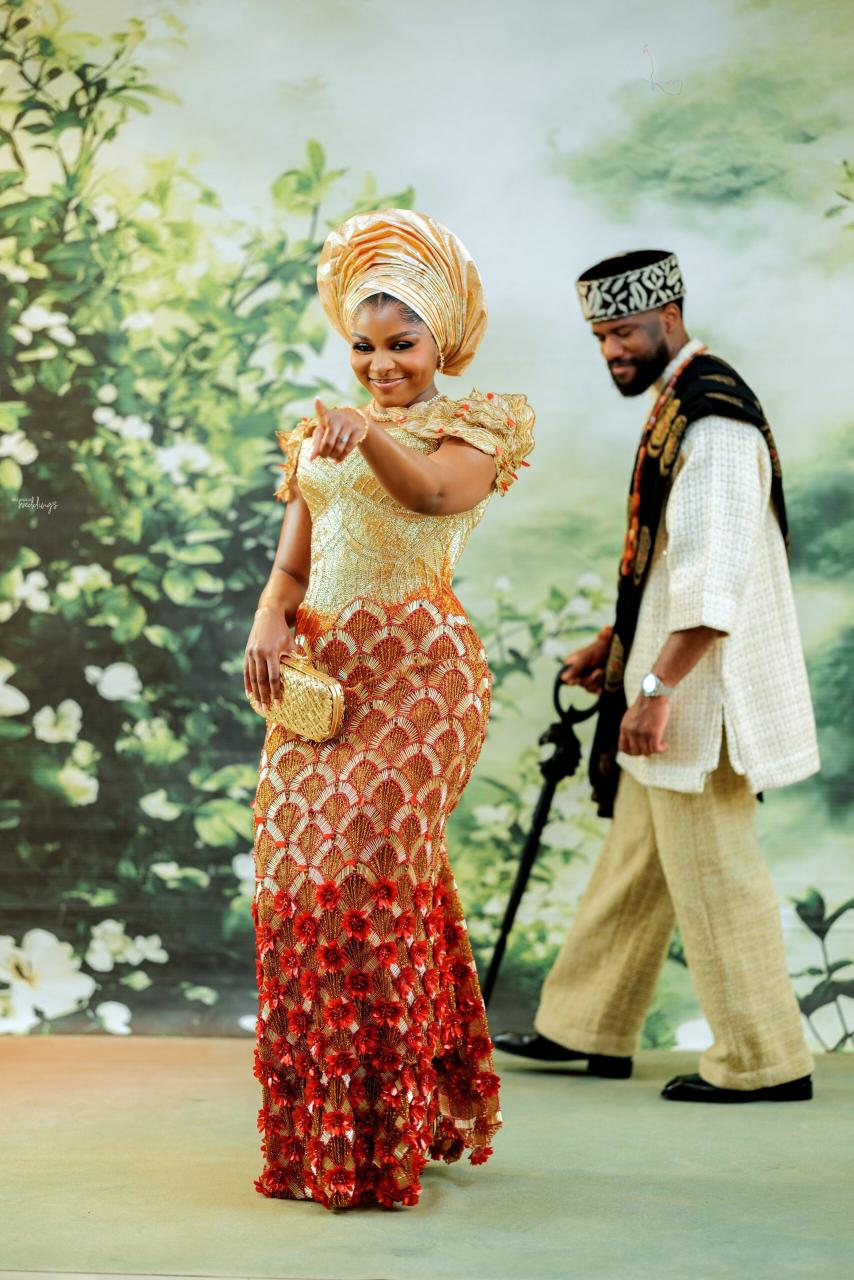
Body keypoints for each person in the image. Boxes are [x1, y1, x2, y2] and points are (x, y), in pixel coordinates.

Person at [244, 208, 535, 1209]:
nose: (381, 366)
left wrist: (367, 432)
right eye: (363, 348)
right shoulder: (315, 434)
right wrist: (268, 621)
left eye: (401, 344)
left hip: (421, 681)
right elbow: (293, 566)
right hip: (319, 683)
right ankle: (319, 1140)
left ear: (439, 337)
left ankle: (383, 1138)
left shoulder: (476, 426)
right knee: (301, 880)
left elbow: (430, 499)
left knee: (366, 877)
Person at [495, 249, 820, 1103]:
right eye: (601, 336)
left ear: (669, 316)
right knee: (638, 860)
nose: (612, 351)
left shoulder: (714, 423)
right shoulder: (680, 401)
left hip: (698, 697)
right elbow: (672, 561)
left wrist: (655, 689)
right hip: (671, 680)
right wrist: (617, 643)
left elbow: (716, 582)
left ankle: (764, 1061)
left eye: (626, 332)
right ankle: (588, 1024)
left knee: (716, 870)